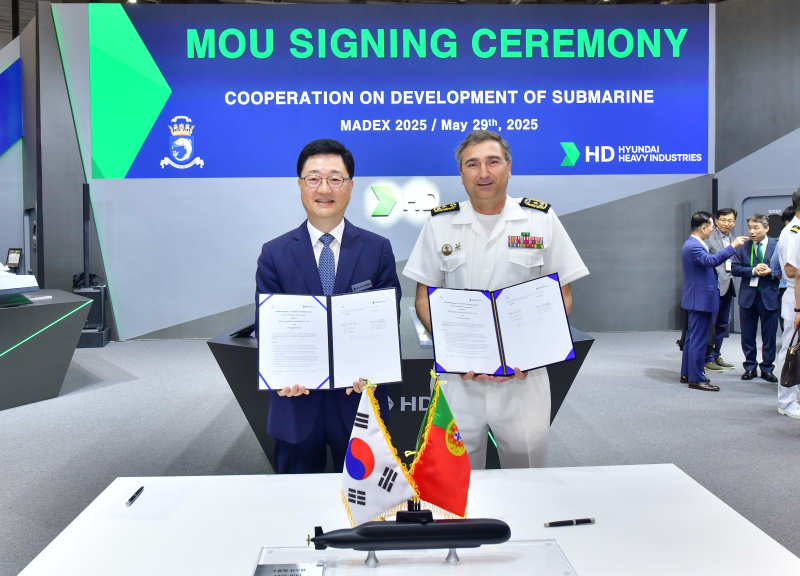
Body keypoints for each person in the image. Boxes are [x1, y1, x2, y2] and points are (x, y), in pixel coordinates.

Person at [403, 130, 589, 469]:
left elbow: (562, 294)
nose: (483, 173)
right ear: (461, 174)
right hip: (459, 378)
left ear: (509, 167)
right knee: (456, 478)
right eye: (472, 164)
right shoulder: (440, 223)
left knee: (527, 473)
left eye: (493, 162)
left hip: (522, 377)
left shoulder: (540, 219)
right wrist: (456, 349)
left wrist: (531, 351)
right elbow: (423, 298)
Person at [255, 139, 401, 473]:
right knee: (296, 497)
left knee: (364, 497)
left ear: (350, 186)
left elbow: (386, 323)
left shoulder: (377, 250)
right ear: (300, 185)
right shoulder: (274, 254)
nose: (324, 188)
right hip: (296, 401)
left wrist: (372, 367)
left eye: (335, 178)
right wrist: (283, 372)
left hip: (358, 398)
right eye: (313, 178)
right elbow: (269, 328)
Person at [681, 212, 746, 391]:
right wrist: (732, 246)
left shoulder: (693, 243)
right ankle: (697, 378)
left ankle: (687, 373)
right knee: (699, 340)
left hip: (697, 298)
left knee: (691, 339)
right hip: (700, 300)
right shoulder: (694, 246)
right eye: (711, 226)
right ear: (704, 228)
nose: (713, 229)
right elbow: (710, 261)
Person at [731, 214, 781, 382]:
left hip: (769, 296)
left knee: (769, 336)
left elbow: (784, 268)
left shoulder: (777, 245)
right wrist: (753, 270)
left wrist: (771, 272)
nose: (752, 232)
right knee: (747, 335)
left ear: (766, 228)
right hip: (748, 297)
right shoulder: (742, 246)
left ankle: (767, 368)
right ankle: (750, 367)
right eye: (750, 228)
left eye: (756, 228)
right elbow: (735, 268)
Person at [776, 190, 800, 418]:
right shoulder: (793, 231)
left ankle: (795, 396)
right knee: (791, 348)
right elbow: (791, 270)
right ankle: (786, 401)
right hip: (795, 296)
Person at [705, 208, 738, 372]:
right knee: (711, 323)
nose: (726, 223)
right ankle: (707, 357)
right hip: (714, 285)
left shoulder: (731, 237)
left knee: (723, 322)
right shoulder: (709, 237)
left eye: (730, 220)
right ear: (716, 221)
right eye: (723, 220)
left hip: (729, 283)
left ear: (734, 222)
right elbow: (709, 260)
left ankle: (716, 354)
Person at [771, 207, 793, 331]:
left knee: (788, 327)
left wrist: (778, 273)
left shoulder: (785, 234)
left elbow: (774, 262)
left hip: (787, 287)